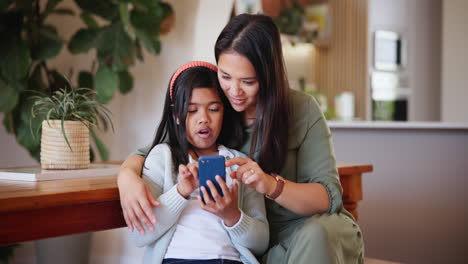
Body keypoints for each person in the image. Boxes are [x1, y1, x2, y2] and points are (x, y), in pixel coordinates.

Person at [118, 14, 364, 264]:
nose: (234, 91)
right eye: (225, 76)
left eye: (247, 81)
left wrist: (269, 185)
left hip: (299, 231)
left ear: (268, 76)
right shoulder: (215, 106)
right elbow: (157, 147)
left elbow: (326, 197)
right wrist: (126, 178)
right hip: (247, 244)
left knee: (317, 234)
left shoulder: (301, 109)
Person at [128, 61, 269, 264]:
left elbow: (261, 242)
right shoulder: (162, 158)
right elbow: (140, 235)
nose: (203, 119)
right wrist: (181, 192)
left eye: (213, 109)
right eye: (192, 110)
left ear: (224, 113)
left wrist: (232, 216)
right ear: (176, 114)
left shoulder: (240, 163)